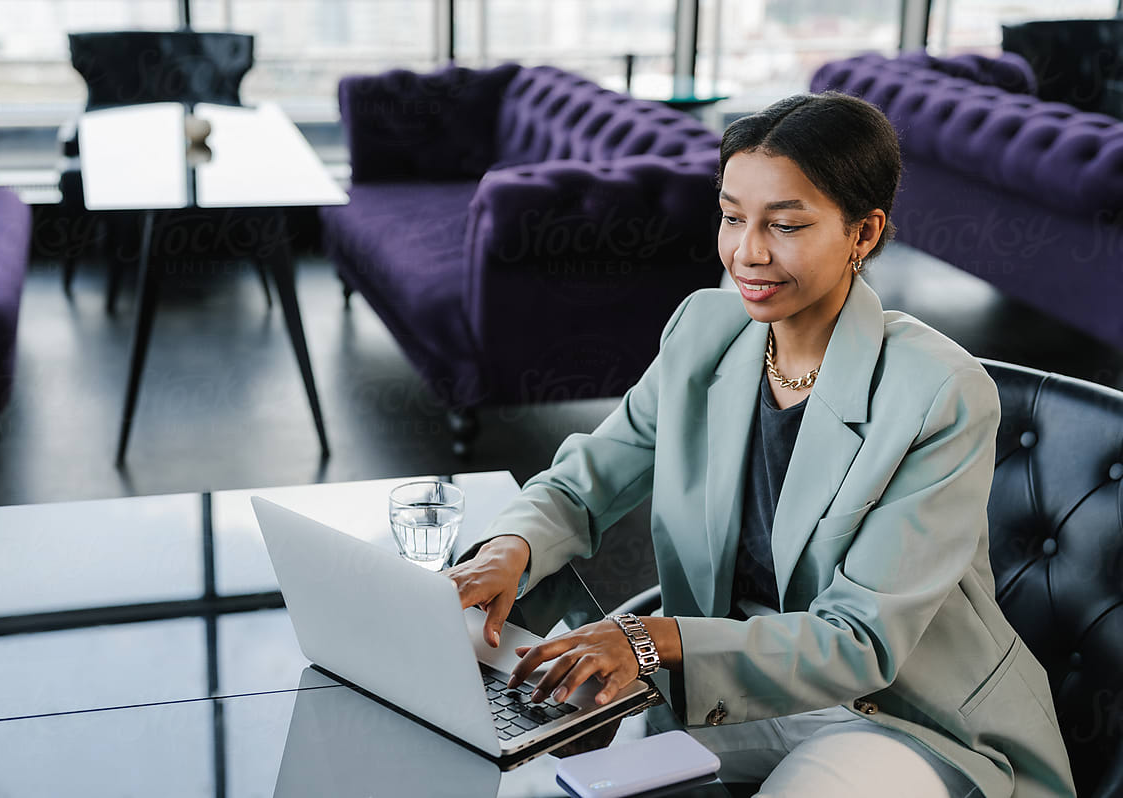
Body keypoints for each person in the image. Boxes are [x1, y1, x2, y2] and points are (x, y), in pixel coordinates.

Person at [446, 92, 1077, 798]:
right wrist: (511, 548)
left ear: (863, 234)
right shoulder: (701, 333)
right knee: (533, 776)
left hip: (892, 713)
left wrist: (654, 641)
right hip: (724, 679)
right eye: (731, 216)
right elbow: (582, 483)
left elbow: (861, 641)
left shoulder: (940, 392)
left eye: (785, 224)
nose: (747, 251)